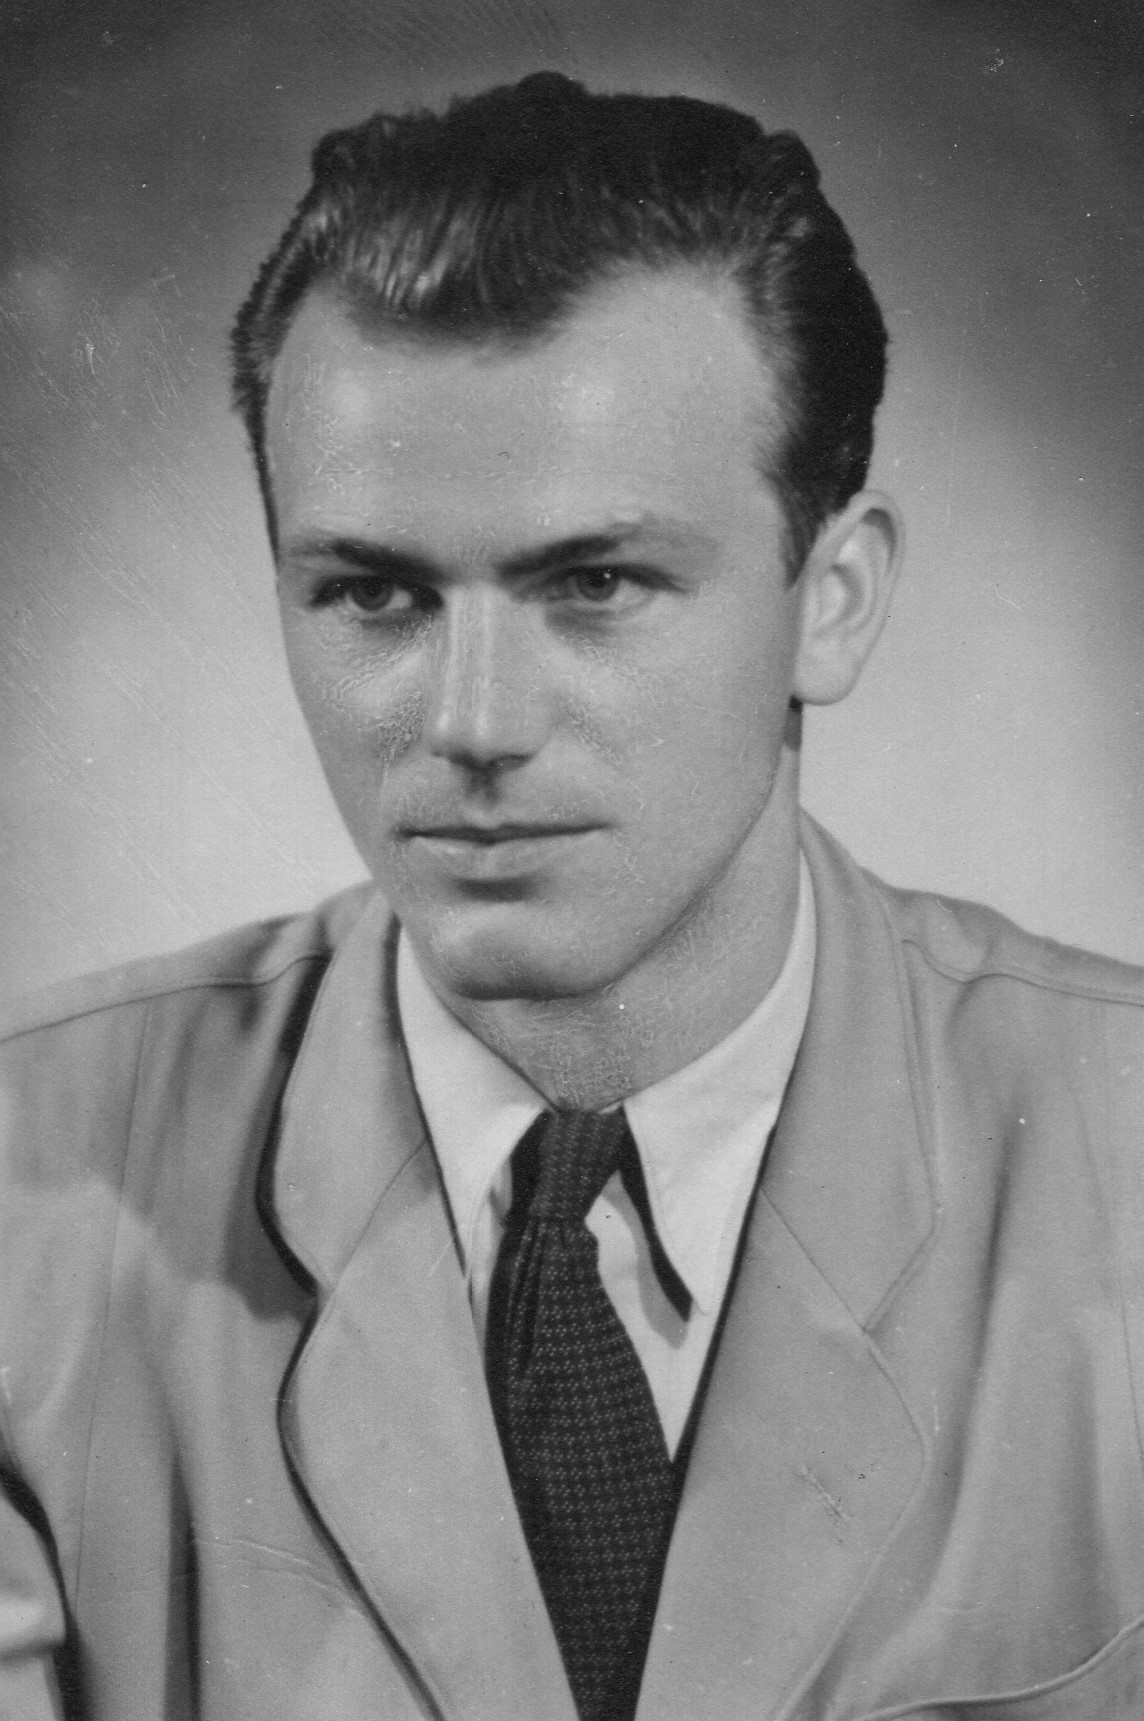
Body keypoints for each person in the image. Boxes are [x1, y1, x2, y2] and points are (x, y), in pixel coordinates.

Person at [1, 70, 1142, 1721]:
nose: (472, 723)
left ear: (832, 599)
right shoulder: (23, 1193)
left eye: (595, 581)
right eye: (373, 592)